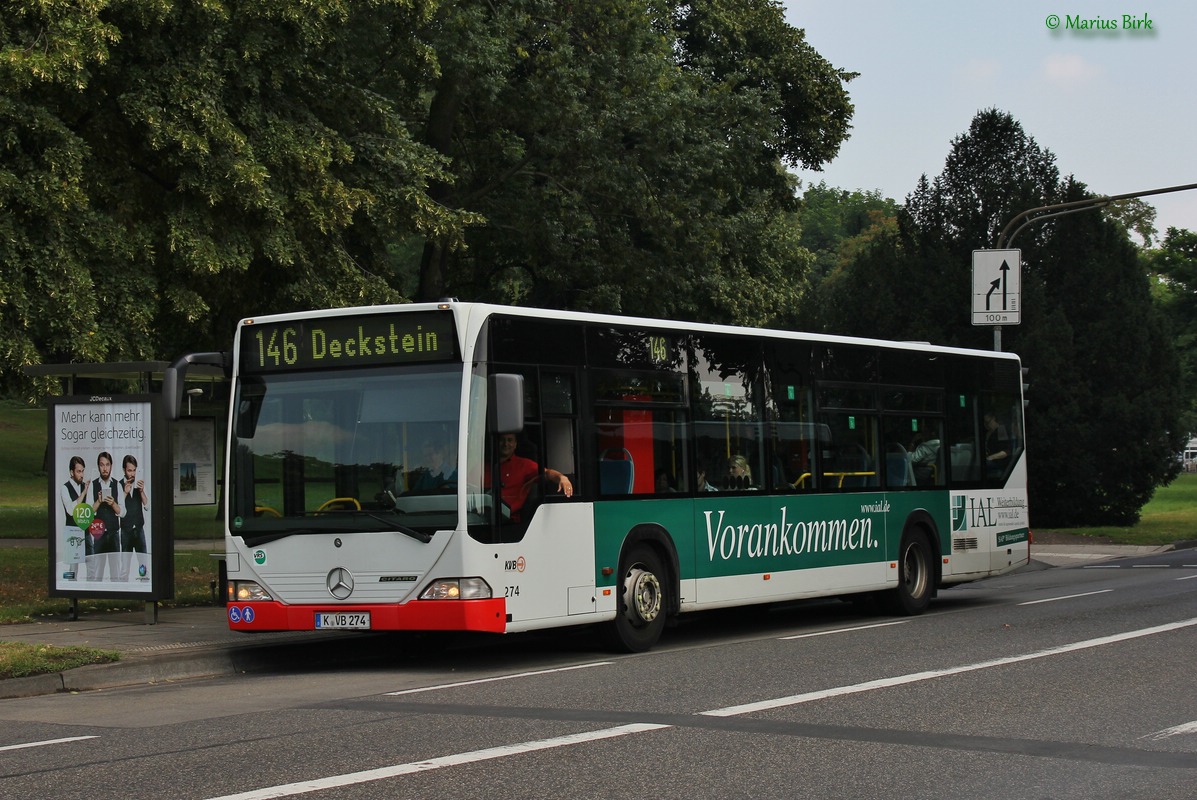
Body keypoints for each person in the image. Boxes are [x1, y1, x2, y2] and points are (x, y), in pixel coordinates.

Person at [488, 433, 573, 521]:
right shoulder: (482, 466)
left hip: (508, 522)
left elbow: (547, 473)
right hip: (482, 519)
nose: (505, 444)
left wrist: (562, 478)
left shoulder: (524, 465)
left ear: (515, 444)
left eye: (510, 440)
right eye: (502, 440)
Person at [90, 451, 122, 582]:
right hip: (99, 533)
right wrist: (98, 501)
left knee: (115, 571)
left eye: (107, 465)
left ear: (111, 466)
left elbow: (122, 511)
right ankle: (97, 594)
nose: (105, 468)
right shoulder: (92, 485)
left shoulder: (117, 485)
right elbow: (88, 512)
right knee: (98, 571)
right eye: (102, 465)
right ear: (98, 466)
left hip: (114, 533)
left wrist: (113, 503)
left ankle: (117, 595)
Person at [120, 454, 150, 582]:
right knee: (125, 566)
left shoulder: (140, 485)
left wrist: (142, 491)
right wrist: (125, 493)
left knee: (143, 564)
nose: (132, 474)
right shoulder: (118, 485)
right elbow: (118, 507)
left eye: (134, 470)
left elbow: (147, 506)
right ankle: (123, 590)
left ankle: (144, 586)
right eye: (129, 470)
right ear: (124, 470)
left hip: (139, 530)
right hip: (126, 531)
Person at [59, 455, 88, 579]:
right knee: (73, 567)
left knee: (89, 564)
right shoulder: (65, 488)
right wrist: (84, 493)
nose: (81, 475)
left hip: (84, 530)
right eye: (78, 471)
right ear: (72, 472)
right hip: (71, 531)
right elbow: (71, 510)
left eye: (82, 471)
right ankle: (72, 592)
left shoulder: (84, 487)